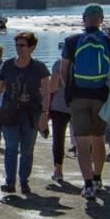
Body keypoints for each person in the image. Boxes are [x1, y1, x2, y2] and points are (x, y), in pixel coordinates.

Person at [50, 5, 110, 199]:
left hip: (78, 96)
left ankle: (87, 185)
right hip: (101, 96)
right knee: (98, 139)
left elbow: (64, 69)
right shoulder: (109, 41)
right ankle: (98, 178)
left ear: (83, 18)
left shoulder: (72, 41)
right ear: (101, 19)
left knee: (82, 142)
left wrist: (69, 89)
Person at [0, 31, 50, 195]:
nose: (19, 48)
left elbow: (46, 92)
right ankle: (10, 182)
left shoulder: (39, 67)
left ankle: (24, 181)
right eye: (17, 45)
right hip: (9, 113)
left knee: (27, 150)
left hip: (31, 114)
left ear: (32, 47)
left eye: (22, 45)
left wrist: (45, 114)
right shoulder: (8, 65)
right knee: (11, 148)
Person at [45, 47, 71, 185]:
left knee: (58, 139)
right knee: (84, 139)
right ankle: (91, 173)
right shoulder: (82, 62)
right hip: (79, 105)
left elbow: (53, 86)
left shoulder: (59, 63)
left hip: (60, 106)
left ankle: (58, 170)